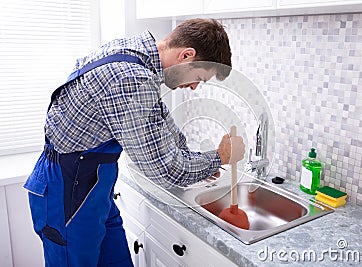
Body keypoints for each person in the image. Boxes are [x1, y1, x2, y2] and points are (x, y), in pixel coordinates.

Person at [24, 18, 245, 266]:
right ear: (187, 55)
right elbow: (165, 171)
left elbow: (159, 122)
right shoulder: (131, 78)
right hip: (66, 193)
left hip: (93, 188)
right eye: (199, 77)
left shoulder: (133, 55)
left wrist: (200, 161)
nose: (193, 87)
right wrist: (219, 157)